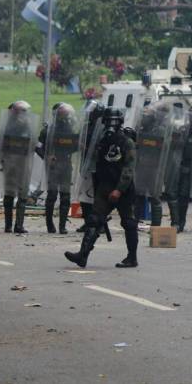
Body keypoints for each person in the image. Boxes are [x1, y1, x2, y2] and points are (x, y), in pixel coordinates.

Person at [64, 107, 139, 268]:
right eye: (108, 121)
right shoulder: (102, 141)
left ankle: (132, 258)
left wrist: (119, 189)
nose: (110, 125)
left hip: (122, 189)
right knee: (93, 220)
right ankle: (82, 256)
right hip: (105, 187)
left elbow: (128, 169)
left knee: (129, 223)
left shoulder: (127, 141)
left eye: (114, 121)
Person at [0, 100, 38, 233]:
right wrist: (4, 162)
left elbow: (33, 146)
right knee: (11, 195)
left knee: (21, 195)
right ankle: (10, 225)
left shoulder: (28, 128)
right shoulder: (7, 129)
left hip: (22, 165)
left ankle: (17, 225)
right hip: (12, 166)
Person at [39, 103, 81, 234]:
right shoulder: (48, 130)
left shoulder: (70, 129)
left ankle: (62, 226)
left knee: (65, 196)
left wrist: (79, 144)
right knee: (52, 195)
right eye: (63, 113)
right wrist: (47, 156)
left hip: (66, 164)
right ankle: (50, 225)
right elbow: (39, 147)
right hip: (53, 165)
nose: (65, 116)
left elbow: (73, 146)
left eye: (66, 114)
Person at [134, 103, 173, 227]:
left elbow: (161, 145)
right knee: (138, 195)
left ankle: (156, 225)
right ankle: (135, 222)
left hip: (155, 167)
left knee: (154, 197)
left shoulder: (161, 128)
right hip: (141, 165)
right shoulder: (142, 128)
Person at [75, 100, 105, 232]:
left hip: (98, 166)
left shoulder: (104, 128)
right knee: (84, 196)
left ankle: (100, 223)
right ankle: (88, 221)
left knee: (98, 198)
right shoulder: (86, 126)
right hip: (85, 165)